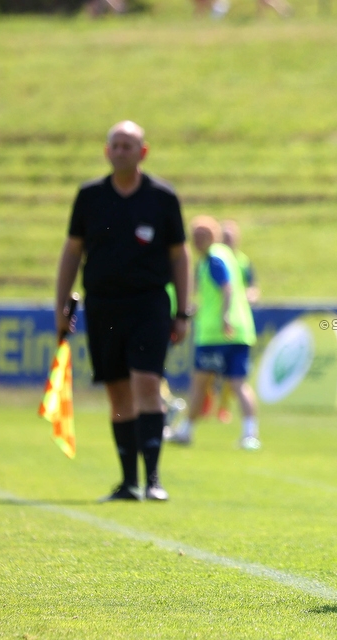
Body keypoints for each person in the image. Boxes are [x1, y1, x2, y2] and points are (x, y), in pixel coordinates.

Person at [54, 120, 191, 502]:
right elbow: (72, 251)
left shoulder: (162, 198)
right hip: (102, 306)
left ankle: (153, 479)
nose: (121, 151)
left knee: (146, 384)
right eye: (115, 144)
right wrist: (61, 303)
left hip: (149, 304)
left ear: (143, 152)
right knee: (117, 394)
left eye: (128, 145)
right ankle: (128, 481)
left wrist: (183, 310)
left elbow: (179, 257)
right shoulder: (89, 197)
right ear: (106, 151)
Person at [167, 216, 261, 450]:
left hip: (216, 333)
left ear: (212, 236)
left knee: (200, 383)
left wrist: (224, 316)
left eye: (201, 236)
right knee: (238, 383)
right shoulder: (227, 256)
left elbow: (226, 289)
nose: (197, 241)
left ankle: (186, 431)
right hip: (240, 331)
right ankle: (250, 434)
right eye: (194, 236)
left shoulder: (214, 258)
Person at [211, 219, 260, 423]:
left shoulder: (239, 261)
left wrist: (250, 295)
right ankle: (214, 411)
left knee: (230, 380)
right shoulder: (216, 259)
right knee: (216, 379)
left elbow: (252, 288)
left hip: (227, 325)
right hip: (227, 327)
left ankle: (190, 424)